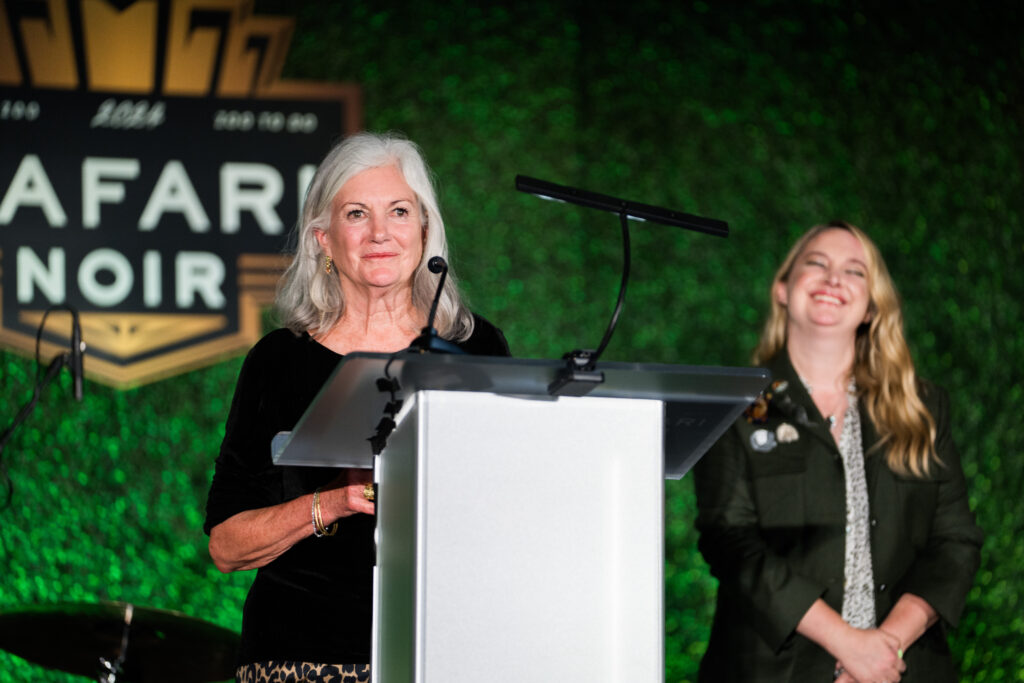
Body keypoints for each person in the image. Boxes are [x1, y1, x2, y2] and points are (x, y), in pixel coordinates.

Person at [203, 132, 510, 683]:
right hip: (301, 654)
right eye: (355, 214)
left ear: (424, 229)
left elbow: (507, 504)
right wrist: (330, 504)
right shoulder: (279, 362)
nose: (379, 233)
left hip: (447, 653)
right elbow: (226, 545)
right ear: (323, 238)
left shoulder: (477, 348)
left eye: (398, 210)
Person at [693, 221, 982, 682]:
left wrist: (883, 651)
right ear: (783, 289)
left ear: (871, 306)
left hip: (900, 668)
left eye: (854, 271)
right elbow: (730, 541)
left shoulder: (923, 408)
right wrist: (848, 645)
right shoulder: (737, 405)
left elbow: (954, 543)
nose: (833, 279)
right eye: (816, 264)